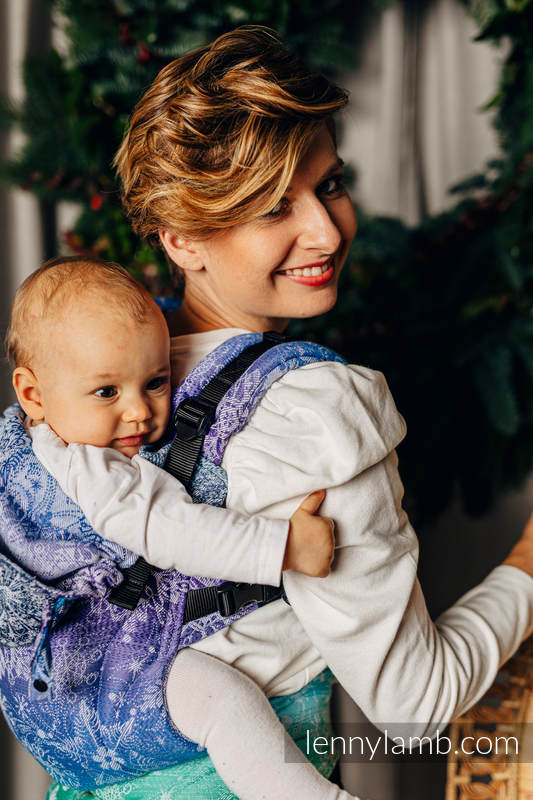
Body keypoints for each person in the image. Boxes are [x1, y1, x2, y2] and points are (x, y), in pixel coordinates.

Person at [44, 23, 533, 800]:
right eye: (273, 208)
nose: (326, 231)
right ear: (181, 238)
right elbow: (414, 703)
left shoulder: (83, 385)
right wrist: (526, 568)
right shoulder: (310, 410)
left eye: (330, 185)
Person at [7, 256, 363, 800]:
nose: (138, 412)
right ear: (33, 394)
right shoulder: (87, 467)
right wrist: (284, 547)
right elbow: (173, 530)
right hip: (100, 673)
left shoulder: (33, 441)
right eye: (107, 392)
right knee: (220, 699)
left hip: (70, 675)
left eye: (155, 382)